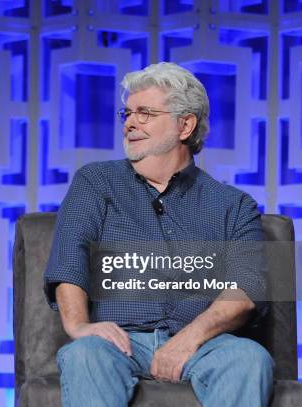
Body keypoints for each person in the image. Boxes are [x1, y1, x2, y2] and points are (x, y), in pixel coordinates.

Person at [44, 62, 273, 406]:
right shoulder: (95, 182)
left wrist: (189, 338)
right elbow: (68, 259)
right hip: (118, 338)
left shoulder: (233, 204)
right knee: (85, 354)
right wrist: (79, 327)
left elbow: (246, 290)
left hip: (204, 343)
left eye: (146, 113)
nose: (130, 123)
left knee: (249, 358)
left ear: (185, 125)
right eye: (127, 113)